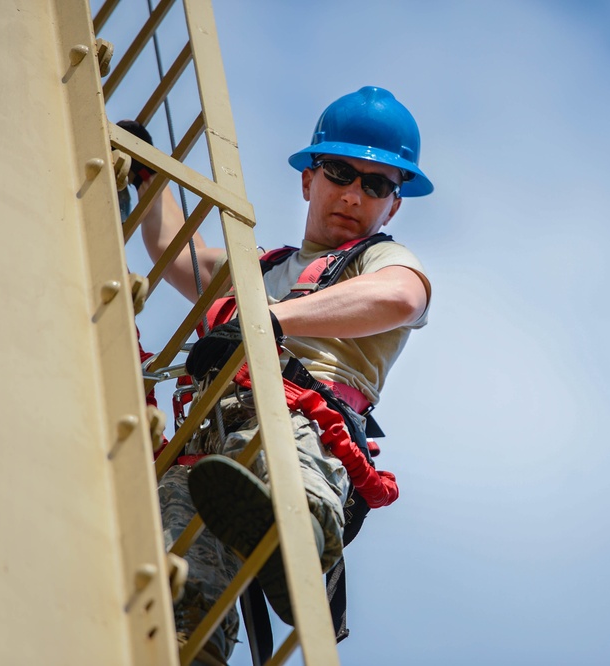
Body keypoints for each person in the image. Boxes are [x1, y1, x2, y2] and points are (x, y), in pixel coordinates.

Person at [135, 86, 433, 664]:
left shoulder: (379, 262)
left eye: (375, 185)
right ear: (308, 180)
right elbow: (178, 253)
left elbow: (402, 297)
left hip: (298, 423)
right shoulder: (261, 269)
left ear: (392, 207)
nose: (353, 194)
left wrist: (269, 320)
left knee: (288, 481)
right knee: (180, 578)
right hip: (207, 439)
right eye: (340, 172)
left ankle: (301, 541)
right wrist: (152, 184)